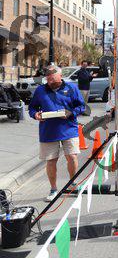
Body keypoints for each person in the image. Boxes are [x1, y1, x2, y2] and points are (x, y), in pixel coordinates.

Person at [28, 65, 86, 202]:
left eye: (53, 79)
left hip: (69, 128)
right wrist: (35, 115)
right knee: (51, 160)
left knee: (72, 157)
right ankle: (53, 189)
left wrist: (71, 113)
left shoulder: (71, 88)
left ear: (60, 76)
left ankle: (72, 184)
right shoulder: (40, 90)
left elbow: (81, 106)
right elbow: (32, 108)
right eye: (48, 79)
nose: (50, 81)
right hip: (48, 131)